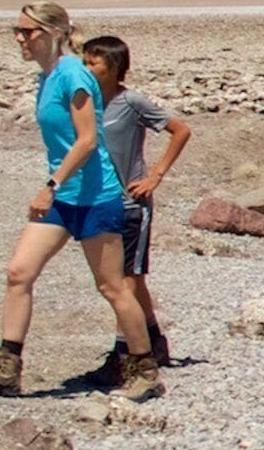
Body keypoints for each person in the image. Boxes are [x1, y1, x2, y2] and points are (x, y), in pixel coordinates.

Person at [0, 2, 161, 400]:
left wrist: (50, 185)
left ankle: (144, 370)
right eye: (16, 31)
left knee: (113, 287)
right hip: (63, 197)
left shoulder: (73, 74)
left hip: (94, 196)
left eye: (28, 32)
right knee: (19, 273)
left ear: (54, 34)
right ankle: (6, 366)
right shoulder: (48, 76)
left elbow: (87, 141)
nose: (20, 39)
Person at [79, 33, 191, 380]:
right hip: (100, 200)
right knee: (132, 279)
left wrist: (155, 175)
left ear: (114, 67)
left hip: (131, 203)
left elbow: (180, 131)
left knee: (124, 281)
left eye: (93, 62)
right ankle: (154, 342)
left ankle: (124, 354)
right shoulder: (86, 103)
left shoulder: (131, 102)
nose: (86, 68)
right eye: (84, 62)